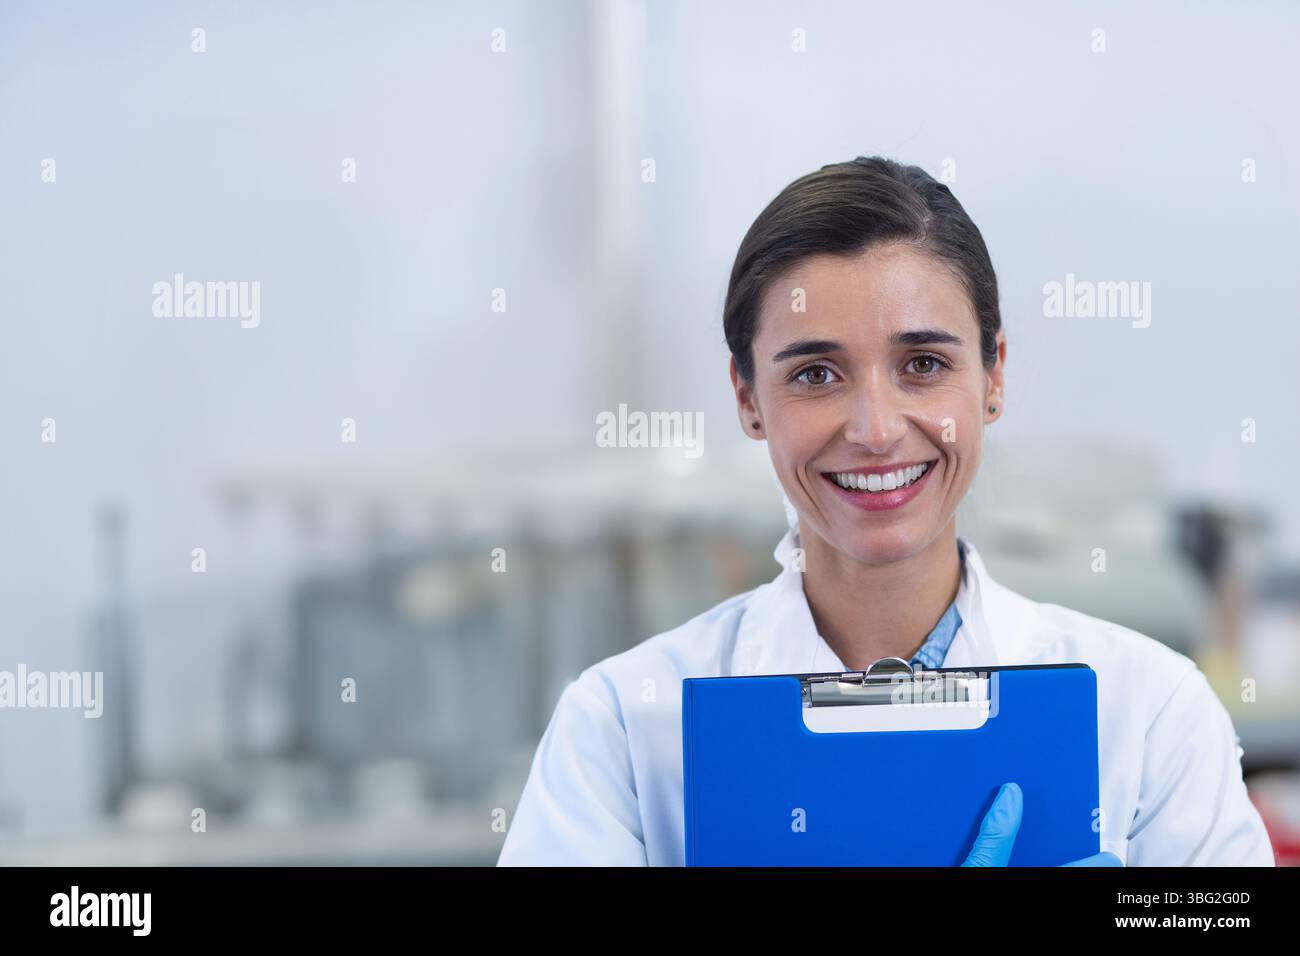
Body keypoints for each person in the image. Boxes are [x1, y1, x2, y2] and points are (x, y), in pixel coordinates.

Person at [497, 156, 1274, 866]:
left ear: (993, 375)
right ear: (748, 399)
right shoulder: (625, 729)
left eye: (924, 364)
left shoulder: (1148, 711)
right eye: (815, 374)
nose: (873, 430)